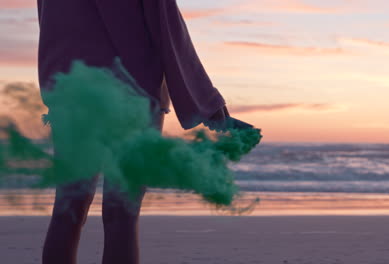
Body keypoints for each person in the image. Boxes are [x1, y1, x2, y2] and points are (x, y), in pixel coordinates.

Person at [37, 1, 242, 263]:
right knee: (120, 210)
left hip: (70, 86)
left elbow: (52, 21)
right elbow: (167, 25)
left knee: (69, 206)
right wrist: (205, 100)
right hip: (130, 90)